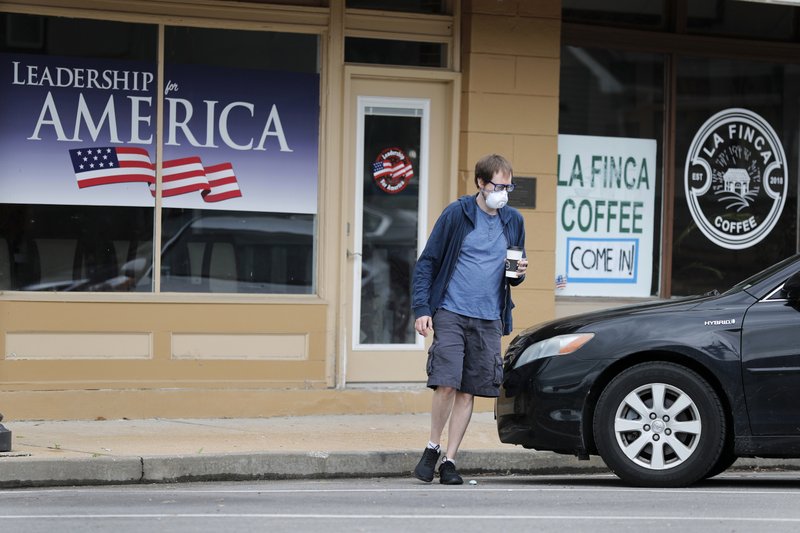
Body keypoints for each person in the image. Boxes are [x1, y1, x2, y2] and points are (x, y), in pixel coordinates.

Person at [411, 153, 527, 485]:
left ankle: (450, 460)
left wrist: (518, 274)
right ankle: (432, 446)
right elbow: (428, 263)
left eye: (508, 186)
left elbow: (513, 273)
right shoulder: (457, 214)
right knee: (446, 383)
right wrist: (422, 309)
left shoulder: (513, 221)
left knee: (468, 390)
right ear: (480, 183)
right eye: (497, 185)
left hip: (489, 317)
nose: (502, 192)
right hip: (451, 310)